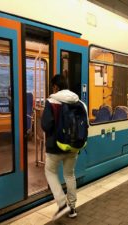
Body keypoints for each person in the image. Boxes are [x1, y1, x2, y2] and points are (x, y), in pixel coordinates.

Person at [42, 75, 87, 220]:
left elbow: (46, 125)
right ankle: (72, 208)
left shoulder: (51, 101)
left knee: (50, 172)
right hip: (74, 146)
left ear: (55, 86)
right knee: (69, 175)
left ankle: (62, 204)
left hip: (55, 147)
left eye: (52, 85)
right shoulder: (79, 102)